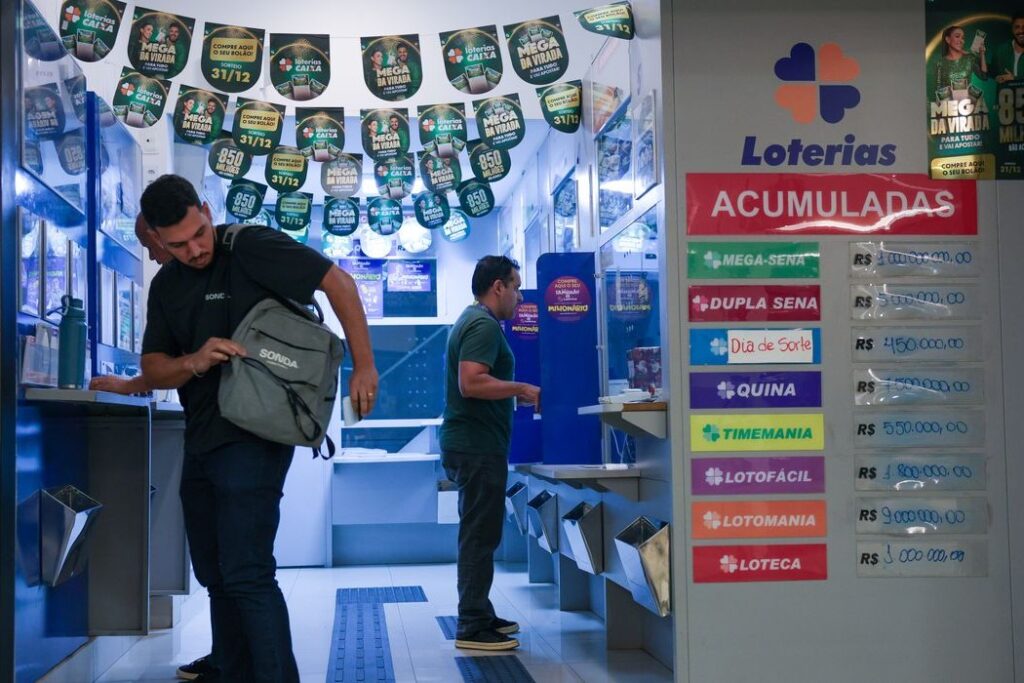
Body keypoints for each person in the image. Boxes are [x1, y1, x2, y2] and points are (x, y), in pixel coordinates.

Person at [138, 175, 378, 682]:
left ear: (207, 211)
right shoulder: (167, 285)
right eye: (178, 245)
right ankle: (231, 669)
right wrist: (194, 361)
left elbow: (338, 283)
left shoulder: (250, 247)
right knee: (213, 572)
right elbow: (155, 367)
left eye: (198, 233)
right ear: (157, 240)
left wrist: (364, 366)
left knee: (246, 571)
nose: (195, 250)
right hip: (202, 438)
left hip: (256, 434)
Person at [439, 256, 541, 652]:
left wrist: (511, 393)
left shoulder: (473, 320)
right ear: (498, 286)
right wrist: (520, 388)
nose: (519, 296)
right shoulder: (482, 325)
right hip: (476, 445)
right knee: (480, 536)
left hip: (474, 443)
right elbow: (471, 382)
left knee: (481, 532)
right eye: (516, 286)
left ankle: (480, 612)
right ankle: (471, 624)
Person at [935, 25, 988, 99]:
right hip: (949, 104)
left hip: (967, 104)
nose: (961, 40)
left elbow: (984, 76)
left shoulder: (969, 58)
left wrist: (982, 54)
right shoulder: (941, 62)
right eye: (957, 36)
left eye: (963, 38)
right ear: (948, 39)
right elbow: (938, 88)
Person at [991, 14, 1024, 85]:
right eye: (1017, 27)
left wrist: (1014, 79)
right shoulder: (1000, 51)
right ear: (1012, 29)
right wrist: (996, 77)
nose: (1021, 31)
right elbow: (992, 73)